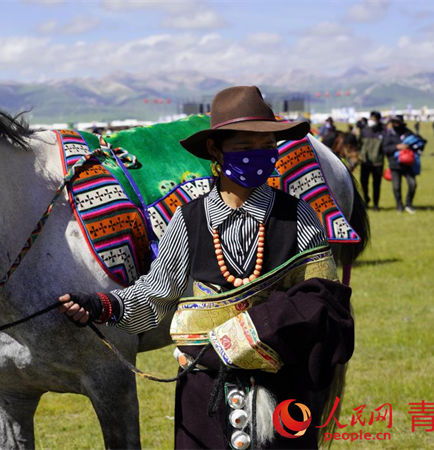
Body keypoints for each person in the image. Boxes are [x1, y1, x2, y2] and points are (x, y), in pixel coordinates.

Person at [57, 86, 354, 450]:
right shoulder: (188, 221)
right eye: (246, 149)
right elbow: (155, 296)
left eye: (267, 147)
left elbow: (324, 301)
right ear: (216, 150)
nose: (259, 157)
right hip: (204, 391)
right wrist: (103, 306)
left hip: (283, 385)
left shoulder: (298, 217)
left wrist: (262, 329)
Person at [382, 115, 419, 214]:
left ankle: (408, 204)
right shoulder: (389, 134)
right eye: (393, 122)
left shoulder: (408, 133)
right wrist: (397, 147)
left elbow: (418, 143)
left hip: (408, 164)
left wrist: (409, 147)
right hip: (394, 165)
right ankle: (399, 205)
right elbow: (385, 149)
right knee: (396, 187)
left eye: (397, 122)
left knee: (412, 184)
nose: (396, 124)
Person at [358, 111, 385, 211]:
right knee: (363, 183)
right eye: (371, 119)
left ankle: (376, 204)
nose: (371, 121)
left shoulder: (383, 131)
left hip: (378, 163)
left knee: (376, 184)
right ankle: (366, 200)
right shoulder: (364, 131)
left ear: (378, 120)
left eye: (374, 119)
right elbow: (358, 144)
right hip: (365, 162)